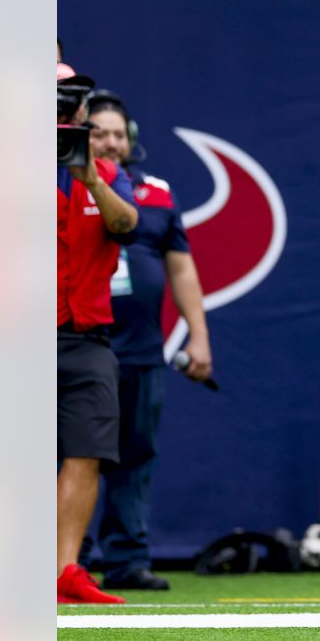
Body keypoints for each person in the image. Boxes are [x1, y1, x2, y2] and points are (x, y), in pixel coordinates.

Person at [81, 90, 214, 591]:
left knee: (135, 454)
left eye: (119, 134)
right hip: (79, 341)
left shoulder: (154, 192)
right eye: (100, 133)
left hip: (140, 347)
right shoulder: (59, 187)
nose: (111, 143)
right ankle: (65, 556)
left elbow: (181, 268)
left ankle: (126, 558)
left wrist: (198, 336)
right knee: (74, 452)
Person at [57, 63, 139, 604]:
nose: (65, 113)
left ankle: (64, 570)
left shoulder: (104, 172)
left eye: (71, 103)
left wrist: (89, 177)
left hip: (87, 335)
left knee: (87, 452)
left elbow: (127, 224)